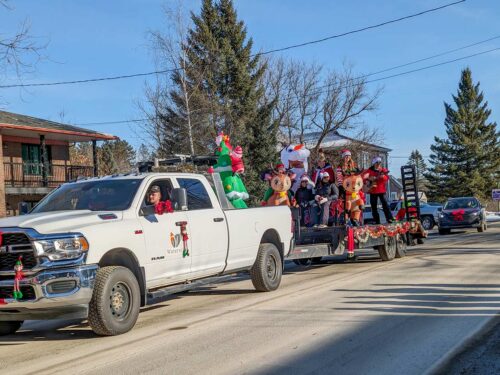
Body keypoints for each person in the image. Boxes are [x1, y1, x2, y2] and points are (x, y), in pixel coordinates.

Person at [365, 156, 394, 224]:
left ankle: (389, 218)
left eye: (379, 163)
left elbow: (386, 178)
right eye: (377, 163)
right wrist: (369, 179)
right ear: (374, 163)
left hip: (381, 190)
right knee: (373, 207)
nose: (378, 164)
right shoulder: (369, 170)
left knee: (385, 205)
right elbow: (364, 178)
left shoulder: (383, 170)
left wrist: (383, 176)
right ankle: (376, 221)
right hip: (372, 190)